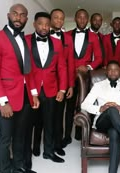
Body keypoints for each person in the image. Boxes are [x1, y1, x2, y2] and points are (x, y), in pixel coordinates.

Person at [0, 3, 39, 173]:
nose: (18, 17)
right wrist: (3, 102)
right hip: (5, 97)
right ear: (9, 15)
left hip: (24, 96)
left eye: (22, 15)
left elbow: (29, 72)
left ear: (26, 19)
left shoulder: (26, 41)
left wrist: (34, 94)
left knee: (20, 135)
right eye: (15, 14)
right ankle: (5, 170)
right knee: (5, 137)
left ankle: (18, 167)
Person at [81, 60, 120, 173]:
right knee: (111, 109)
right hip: (102, 121)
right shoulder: (98, 86)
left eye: (116, 70)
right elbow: (84, 105)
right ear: (106, 72)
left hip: (119, 123)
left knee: (114, 132)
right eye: (110, 70)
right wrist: (100, 108)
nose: (113, 72)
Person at [25, 12, 67, 163]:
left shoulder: (57, 43)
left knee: (50, 121)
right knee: (31, 122)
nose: (44, 27)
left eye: (47, 24)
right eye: (41, 24)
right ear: (34, 24)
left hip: (51, 88)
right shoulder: (25, 41)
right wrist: (32, 91)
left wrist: (62, 89)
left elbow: (62, 67)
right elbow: (24, 67)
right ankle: (32, 149)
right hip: (31, 88)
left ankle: (48, 152)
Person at [65, 9, 102, 142]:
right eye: (79, 17)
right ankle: (67, 136)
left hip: (85, 77)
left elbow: (99, 58)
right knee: (69, 107)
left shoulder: (93, 37)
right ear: (75, 19)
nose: (82, 20)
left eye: (84, 17)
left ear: (87, 20)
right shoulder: (67, 35)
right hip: (69, 77)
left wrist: (87, 67)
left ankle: (81, 134)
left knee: (84, 105)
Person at [49, 8, 75, 155]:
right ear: (51, 19)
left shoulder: (68, 38)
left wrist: (70, 84)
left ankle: (57, 144)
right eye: (56, 18)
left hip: (62, 83)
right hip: (46, 83)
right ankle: (45, 143)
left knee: (59, 114)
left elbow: (70, 63)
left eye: (61, 18)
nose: (59, 21)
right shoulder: (43, 35)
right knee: (47, 115)